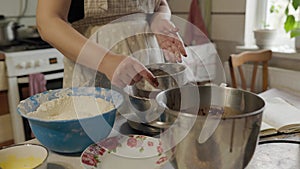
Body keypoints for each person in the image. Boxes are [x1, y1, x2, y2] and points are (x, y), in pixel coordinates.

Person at [36, 0, 187, 89]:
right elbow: (47, 22)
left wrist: (159, 19)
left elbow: (160, 3)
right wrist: (106, 60)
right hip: (96, 70)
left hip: (149, 63)